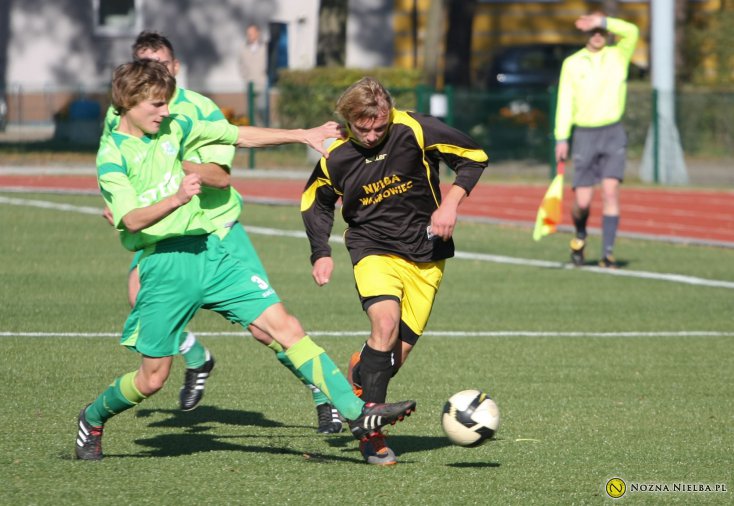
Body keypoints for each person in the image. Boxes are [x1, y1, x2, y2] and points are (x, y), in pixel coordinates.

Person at [74, 60, 416, 461]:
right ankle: (92, 418)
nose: (166, 111)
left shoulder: (175, 126)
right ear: (129, 101)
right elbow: (130, 219)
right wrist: (177, 198)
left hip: (212, 252)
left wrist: (301, 135)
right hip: (165, 266)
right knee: (152, 378)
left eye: (167, 102)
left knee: (286, 328)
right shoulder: (112, 154)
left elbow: (238, 135)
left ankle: (357, 414)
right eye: (157, 104)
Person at [101, 31, 344, 434]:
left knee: (265, 328)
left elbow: (221, 177)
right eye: (144, 64)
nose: (154, 71)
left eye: (160, 63)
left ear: (175, 66)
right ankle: (197, 358)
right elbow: (120, 166)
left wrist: (173, 166)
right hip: (166, 234)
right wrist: (119, 202)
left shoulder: (197, 109)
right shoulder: (124, 113)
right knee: (135, 294)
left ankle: (322, 394)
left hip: (216, 228)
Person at [300, 77, 488, 465]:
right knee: (383, 325)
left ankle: (353, 381)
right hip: (372, 247)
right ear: (348, 120)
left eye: (379, 128)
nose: (371, 136)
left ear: (390, 114)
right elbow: (315, 201)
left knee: (389, 361)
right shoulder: (336, 156)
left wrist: (450, 204)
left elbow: (474, 156)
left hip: (426, 255)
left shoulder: (415, 128)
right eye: (362, 129)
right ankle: (371, 436)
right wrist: (321, 252)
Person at [554, 12, 639, 268]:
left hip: (613, 132)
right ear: (585, 35)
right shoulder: (572, 63)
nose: (598, 35)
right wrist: (561, 137)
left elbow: (632, 31)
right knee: (582, 202)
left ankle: (607, 254)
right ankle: (580, 234)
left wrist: (602, 21)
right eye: (593, 31)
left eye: (601, 31)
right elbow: (565, 101)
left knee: (611, 192)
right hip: (584, 134)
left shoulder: (618, 55)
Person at [238, 23, 268, 125]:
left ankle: (265, 129)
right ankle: (255, 130)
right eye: (248, 34)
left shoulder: (265, 48)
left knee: (262, 108)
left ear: (257, 33)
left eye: (252, 33)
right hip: (249, 83)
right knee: (252, 111)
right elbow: (241, 65)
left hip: (262, 82)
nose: (250, 36)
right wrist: (245, 77)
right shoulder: (243, 49)